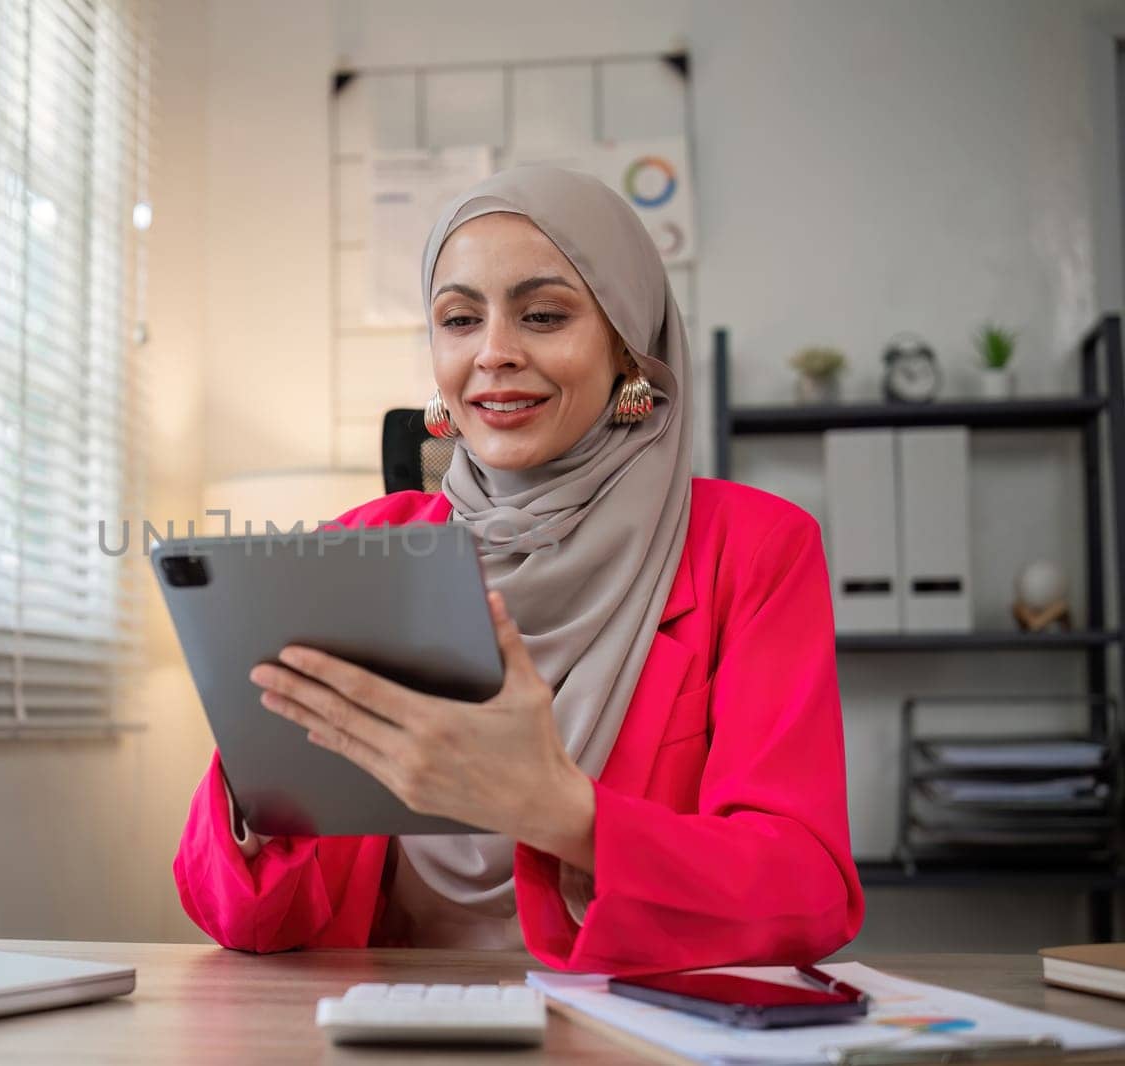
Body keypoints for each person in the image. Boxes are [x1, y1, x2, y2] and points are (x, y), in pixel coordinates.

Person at [172, 166, 864, 973]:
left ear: (628, 348)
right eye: (460, 319)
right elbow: (245, 919)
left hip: (624, 1029)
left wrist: (561, 812)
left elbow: (809, 893)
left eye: (542, 315)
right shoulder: (356, 547)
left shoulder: (751, 550)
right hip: (382, 1023)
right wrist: (263, 772)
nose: (495, 353)